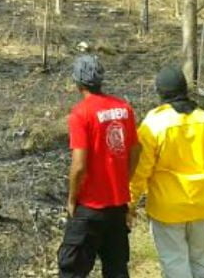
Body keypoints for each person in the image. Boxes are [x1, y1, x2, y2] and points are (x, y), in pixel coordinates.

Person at [129, 65, 204, 278]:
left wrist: (130, 202)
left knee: (175, 263)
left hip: (167, 209)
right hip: (200, 204)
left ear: (160, 92)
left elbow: (140, 170)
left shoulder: (153, 124)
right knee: (199, 259)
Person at [58, 55, 141, 278]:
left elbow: (79, 165)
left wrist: (72, 199)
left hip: (90, 207)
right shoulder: (124, 109)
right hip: (117, 206)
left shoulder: (80, 113)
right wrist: (124, 180)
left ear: (77, 82)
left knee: (71, 269)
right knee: (116, 269)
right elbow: (136, 150)